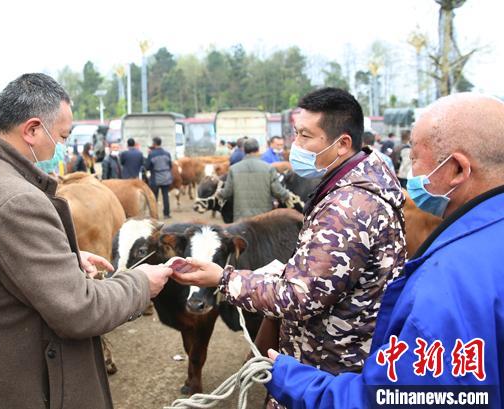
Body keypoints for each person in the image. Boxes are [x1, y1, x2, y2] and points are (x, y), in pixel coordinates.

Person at [0, 73, 172, 409]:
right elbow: (81, 310)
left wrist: (63, 257)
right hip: (10, 389)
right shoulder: (16, 201)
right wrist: (140, 282)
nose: (63, 148)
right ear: (32, 129)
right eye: (62, 136)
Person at [252, 93, 504, 409]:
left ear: (455, 169)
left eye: (414, 155)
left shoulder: (448, 283)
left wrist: (291, 379)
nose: (410, 171)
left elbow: (396, 399)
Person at [172, 88, 406, 409]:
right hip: (333, 364)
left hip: (328, 372)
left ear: (342, 144)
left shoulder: (347, 208)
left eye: (306, 136)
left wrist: (223, 279)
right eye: (296, 133)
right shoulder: (355, 187)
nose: (296, 144)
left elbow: (300, 297)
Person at [216, 138, 296, 221]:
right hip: (263, 219)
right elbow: (278, 192)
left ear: (244, 150)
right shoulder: (269, 168)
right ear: (258, 150)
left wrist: (218, 192)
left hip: (241, 221)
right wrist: (288, 195)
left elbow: (226, 193)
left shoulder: (233, 169)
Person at [145, 136, 173, 219]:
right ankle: (166, 214)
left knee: (154, 197)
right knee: (165, 196)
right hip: (166, 177)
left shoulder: (152, 154)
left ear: (154, 144)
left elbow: (147, 166)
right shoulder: (167, 153)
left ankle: (154, 214)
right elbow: (170, 165)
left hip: (155, 178)